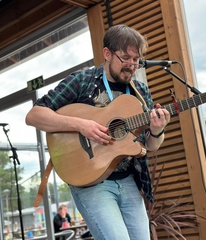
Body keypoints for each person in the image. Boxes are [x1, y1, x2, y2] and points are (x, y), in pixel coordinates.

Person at [26, 24, 170, 240]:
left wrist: (157, 131)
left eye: (136, 59)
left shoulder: (140, 92)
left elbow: (148, 146)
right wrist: (81, 125)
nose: (131, 65)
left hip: (130, 181)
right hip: (92, 183)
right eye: (125, 58)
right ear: (107, 54)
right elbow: (34, 116)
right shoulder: (83, 81)